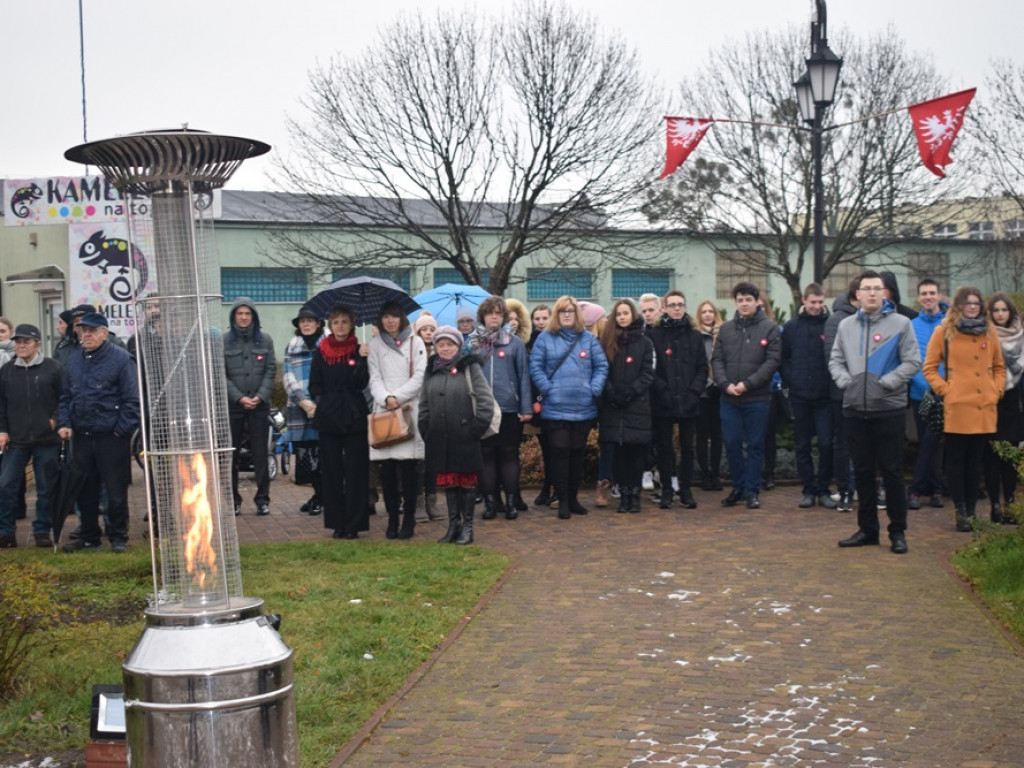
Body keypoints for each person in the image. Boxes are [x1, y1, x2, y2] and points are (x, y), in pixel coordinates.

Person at [829, 271, 920, 554]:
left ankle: (898, 531)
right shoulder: (845, 326)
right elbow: (836, 360)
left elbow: (913, 361)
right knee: (864, 473)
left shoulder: (901, 324)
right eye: (865, 288)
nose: (870, 293)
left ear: (885, 293)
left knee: (892, 473)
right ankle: (868, 530)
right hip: (855, 410)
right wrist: (847, 383)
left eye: (876, 288)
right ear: (856, 294)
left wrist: (886, 384)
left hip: (888, 410)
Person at [923, 286, 1005, 532]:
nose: (972, 307)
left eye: (977, 303)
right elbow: (929, 367)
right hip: (957, 407)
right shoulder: (944, 332)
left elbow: (999, 367)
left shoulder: (990, 333)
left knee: (976, 461)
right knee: (956, 461)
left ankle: (971, 507)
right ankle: (960, 510)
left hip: (983, 407)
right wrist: (947, 390)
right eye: (968, 303)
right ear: (958, 306)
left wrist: (996, 391)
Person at [58, 313, 140, 553]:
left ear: (105, 333)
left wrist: (120, 432)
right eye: (84, 330)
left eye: (93, 331)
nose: (88, 335)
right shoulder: (74, 360)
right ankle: (89, 535)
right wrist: (65, 423)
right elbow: (65, 397)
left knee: (115, 490)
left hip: (111, 437)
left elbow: (132, 400)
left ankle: (118, 536)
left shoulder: (122, 359)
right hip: (82, 436)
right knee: (85, 489)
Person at [529, 295, 608, 518]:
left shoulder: (589, 339)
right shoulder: (545, 338)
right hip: (555, 407)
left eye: (570, 311)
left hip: (583, 406)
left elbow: (601, 366)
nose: (566, 314)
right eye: (562, 311)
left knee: (576, 455)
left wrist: (594, 388)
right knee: (559, 454)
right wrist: (548, 388)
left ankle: (573, 499)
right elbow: (535, 367)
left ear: (577, 314)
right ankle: (562, 499)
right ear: (557, 314)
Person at [419, 325, 495, 545]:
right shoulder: (431, 369)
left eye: (450, 344)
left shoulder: (470, 368)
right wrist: (425, 427)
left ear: (458, 346)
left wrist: (476, 429)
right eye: (440, 344)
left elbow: (485, 401)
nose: (445, 348)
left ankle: (468, 528)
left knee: (466, 483)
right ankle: (453, 526)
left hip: (465, 436)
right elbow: (424, 403)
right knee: (449, 483)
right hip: (439, 437)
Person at [712, 282, 781, 509]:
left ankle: (752, 491)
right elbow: (717, 359)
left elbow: (772, 362)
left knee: (755, 445)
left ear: (757, 301)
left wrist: (747, 384)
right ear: (735, 302)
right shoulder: (726, 329)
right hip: (729, 398)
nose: (744, 304)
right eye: (740, 300)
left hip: (758, 398)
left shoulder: (770, 328)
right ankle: (738, 488)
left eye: (748, 300)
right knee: (731, 443)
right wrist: (724, 383)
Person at [309, 305, 371, 539]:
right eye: (336, 322)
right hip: (329, 415)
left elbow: (361, 383)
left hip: (354, 414)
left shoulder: (358, 349)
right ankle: (337, 522)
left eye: (345, 322)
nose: (341, 326)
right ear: (330, 325)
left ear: (351, 324)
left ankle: (355, 522)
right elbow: (314, 384)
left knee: (356, 470)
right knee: (332, 471)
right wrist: (324, 401)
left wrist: (363, 360)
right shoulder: (321, 352)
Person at [468, 297, 532, 521]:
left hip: (508, 408)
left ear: (504, 316)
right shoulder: (472, 342)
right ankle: (490, 502)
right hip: (482, 409)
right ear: (482, 316)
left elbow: (524, 376)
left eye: (498, 313)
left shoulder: (515, 343)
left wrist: (525, 407)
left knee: (508, 454)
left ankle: (512, 501)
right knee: (486, 456)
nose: (494, 317)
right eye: (489, 313)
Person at [368, 302, 427, 539]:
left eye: (394, 316)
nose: (390, 321)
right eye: (385, 317)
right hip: (385, 412)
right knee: (388, 473)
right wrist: (386, 398)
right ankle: (392, 518)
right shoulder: (374, 344)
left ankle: (409, 519)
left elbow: (420, 376)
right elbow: (374, 377)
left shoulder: (416, 342)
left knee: (410, 471)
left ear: (402, 317)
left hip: (408, 409)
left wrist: (399, 397)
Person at [0, 325, 62, 548]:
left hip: (47, 440)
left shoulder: (53, 368)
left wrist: (55, 419)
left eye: (26, 342)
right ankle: (5, 532)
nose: (21, 346)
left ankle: (42, 531)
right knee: (6, 485)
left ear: (37, 344)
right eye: (18, 342)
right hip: (16, 440)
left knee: (46, 488)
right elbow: (1, 404)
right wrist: (3, 430)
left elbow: (64, 398)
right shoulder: (7, 371)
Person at [647, 290, 706, 509]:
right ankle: (667, 490)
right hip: (663, 400)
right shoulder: (654, 335)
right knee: (665, 447)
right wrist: (663, 391)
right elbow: (650, 369)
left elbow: (702, 368)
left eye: (680, 304)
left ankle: (686, 490)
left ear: (685, 307)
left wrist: (694, 393)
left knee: (687, 447)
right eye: (672, 305)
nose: (676, 309)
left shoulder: (695, 335)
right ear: (664, 308)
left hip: (689, 400)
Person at [780, 284, 836, 509]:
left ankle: (823, 489)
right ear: (804, 300)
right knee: (802, 445)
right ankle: (808, 489)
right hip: (800, 394)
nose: (817, 306)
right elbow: (783, 358)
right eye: (813, 302)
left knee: (826, 444)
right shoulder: (791, 327)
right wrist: (792, 380)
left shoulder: (831, 325)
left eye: (820, 302)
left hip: (825, 395)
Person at [598, 299, 655, 513]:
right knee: (618, 456)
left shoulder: (645, 342)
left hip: (637, 406)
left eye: (626, 313)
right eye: (619, 314)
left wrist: (631, 392)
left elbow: (648, 373)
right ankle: (623, 495)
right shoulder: (608, 341)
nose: (622, 317)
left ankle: (635, 495)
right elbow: (602, 370)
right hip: (613, 408)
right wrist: (611, 393)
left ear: (633, 315)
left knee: (636, 455)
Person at [223, 297, 276, 516]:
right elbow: (220, 374)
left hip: (259, 407)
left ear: (253, 316)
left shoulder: (265, 339)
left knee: (260, 454)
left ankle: (262, 499)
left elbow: (271, 370)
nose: (244, 317)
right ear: (234, 316)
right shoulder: (223, 341)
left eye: (248, 314)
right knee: (231, 455)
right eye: (240, 313)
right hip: (234, 407)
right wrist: (238, 398)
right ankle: (233, 500)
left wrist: (260, 396)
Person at [906, 279, 949, 511]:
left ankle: (919, 488)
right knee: (928, 442)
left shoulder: (951, 324)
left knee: (934, 442)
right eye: (924, 293)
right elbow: (909, 360)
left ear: (939, 295)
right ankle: (934, 489)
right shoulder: (911, 325)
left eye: (932, 292)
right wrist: (925, 386)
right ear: (919, 297)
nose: (929, 297)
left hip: (947, 395)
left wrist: (942, 387)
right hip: (920, 395)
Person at [984, 292, 1024, 523]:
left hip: (1013, 404)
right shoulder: (984, 335)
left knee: (1009, 459)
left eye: (1004, 310)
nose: (1000, 314)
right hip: (990, 401)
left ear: (1011, 312)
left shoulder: (1021, 336)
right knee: (990, 458)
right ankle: (994, 507)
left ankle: (1009, 506)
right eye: (996, 310)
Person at [283, 308, 325, 516]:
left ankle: (322, 496)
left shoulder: (326, 345)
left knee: (323, 456)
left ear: (318, 323)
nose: (306, 324)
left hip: (323, 407)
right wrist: (304, 402)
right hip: (300, 408)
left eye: (310, 320)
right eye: (302, 321)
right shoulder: (291, 347)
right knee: (306, 456)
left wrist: (319, 403)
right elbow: (287, 376)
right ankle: (318, 495)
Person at [823, 278, 860, 512]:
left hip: (872, 394)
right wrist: (850, 384)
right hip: (843, 393)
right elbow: (832, 358)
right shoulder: (836, 320)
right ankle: (846, 490)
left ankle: (864, 489)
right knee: (843, 443)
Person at [695, 299, 723, 491]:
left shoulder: (723, 334)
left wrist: (719, 383)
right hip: (701, 392)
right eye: (704, 311)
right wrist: (706, 383)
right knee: (702, 436)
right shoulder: (695, 335)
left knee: (718, 436)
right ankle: (705, 473)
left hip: (720, 391)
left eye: (710, 311)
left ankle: (715, 473)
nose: (707, 315)